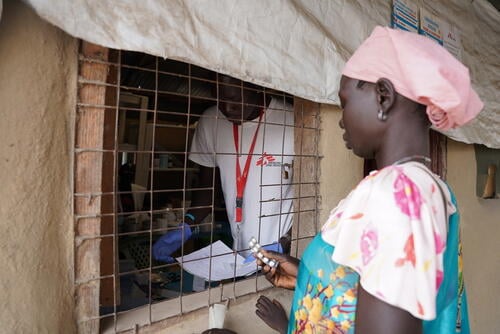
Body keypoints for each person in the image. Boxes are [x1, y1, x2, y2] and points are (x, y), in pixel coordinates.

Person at [205, 26, 483, 334]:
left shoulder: (395, 195)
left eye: (345, 101)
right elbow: (371, 287)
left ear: (383, 97)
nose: (341, 117)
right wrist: (307, 277)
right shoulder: (431, 189)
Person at [153, 74, 294, 263]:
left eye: (235, 100)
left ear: (257, 87)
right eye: (220, 100)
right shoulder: (210, 122)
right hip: (243, 256)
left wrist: (285, 242)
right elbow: (207, 189)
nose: (227, 109)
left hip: (285, 255)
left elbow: (313, 198)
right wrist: (186, 225)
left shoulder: (292, 121)